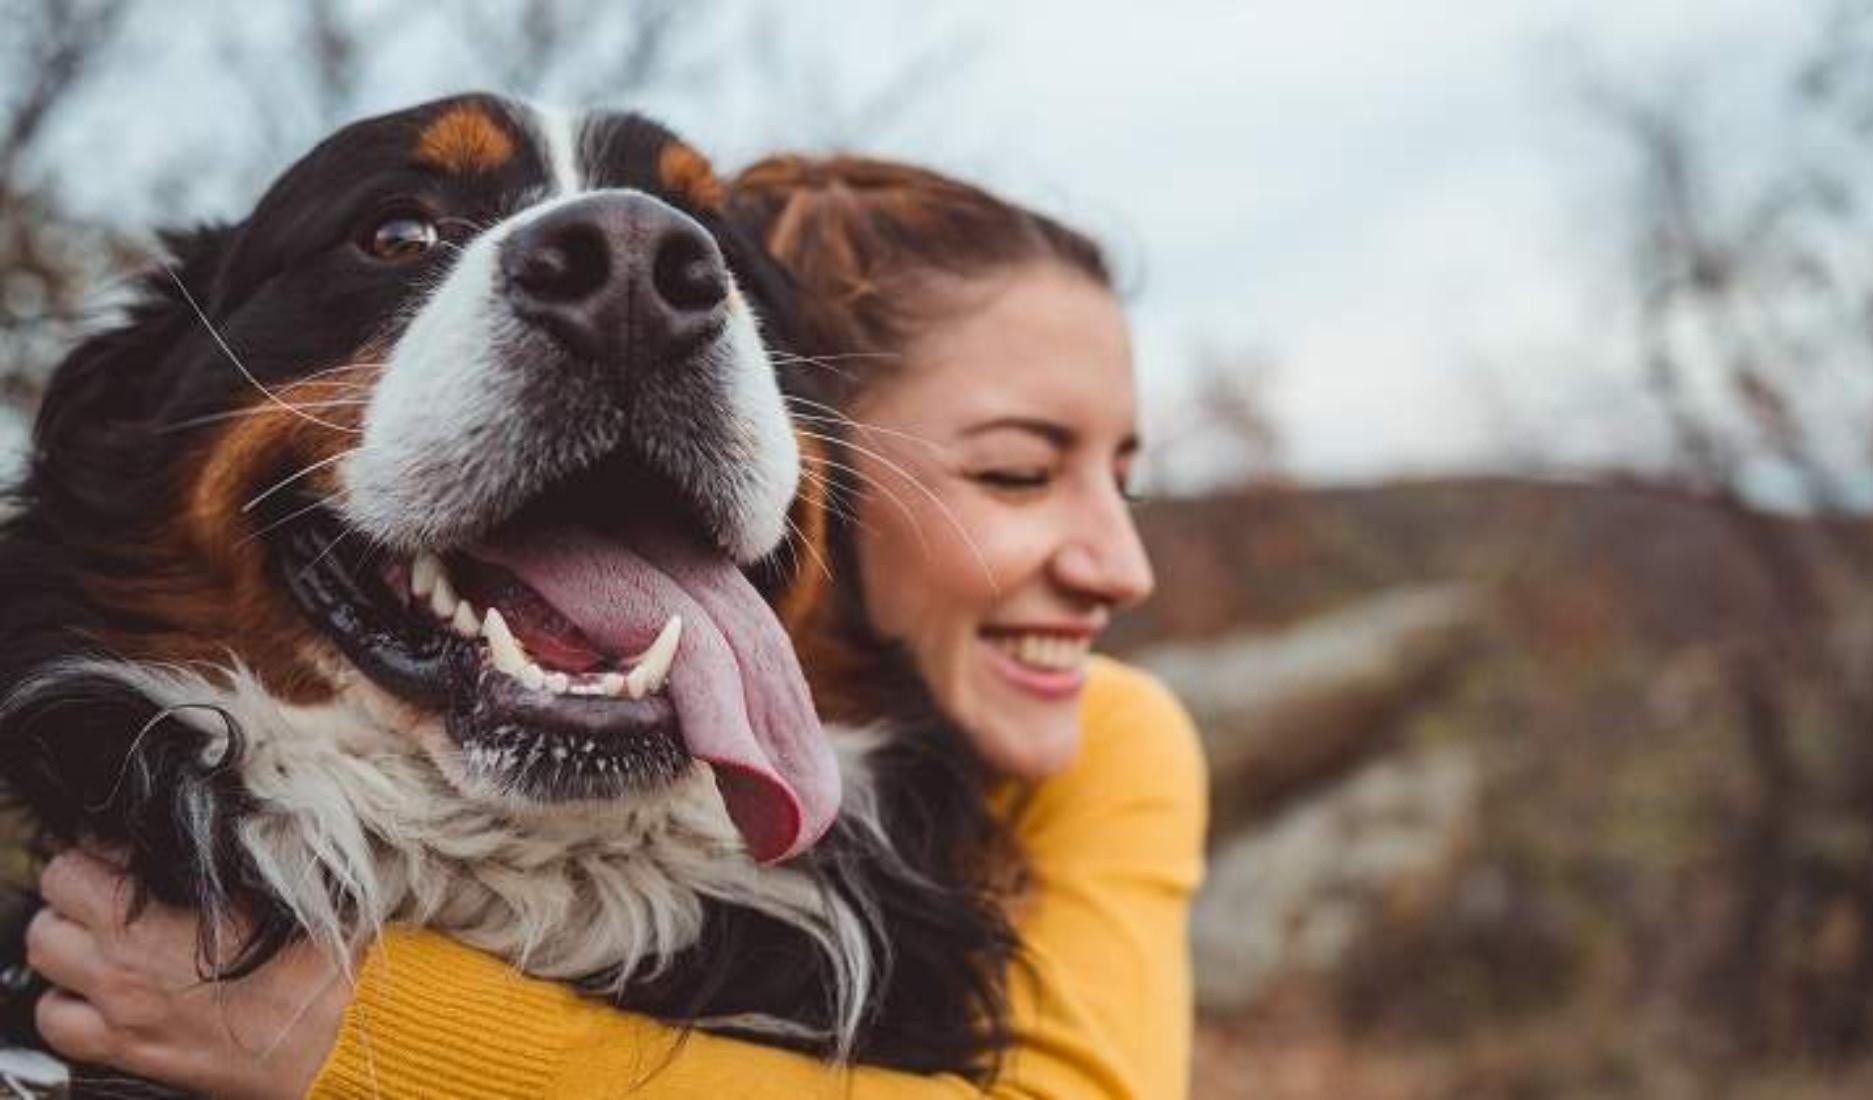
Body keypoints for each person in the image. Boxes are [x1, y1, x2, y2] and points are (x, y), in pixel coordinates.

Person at [26, 155, 1209, 1099]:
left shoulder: (1113, 736)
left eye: (1128, 479)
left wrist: (358, 1037)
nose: (1123, 567)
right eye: (1014, 472)